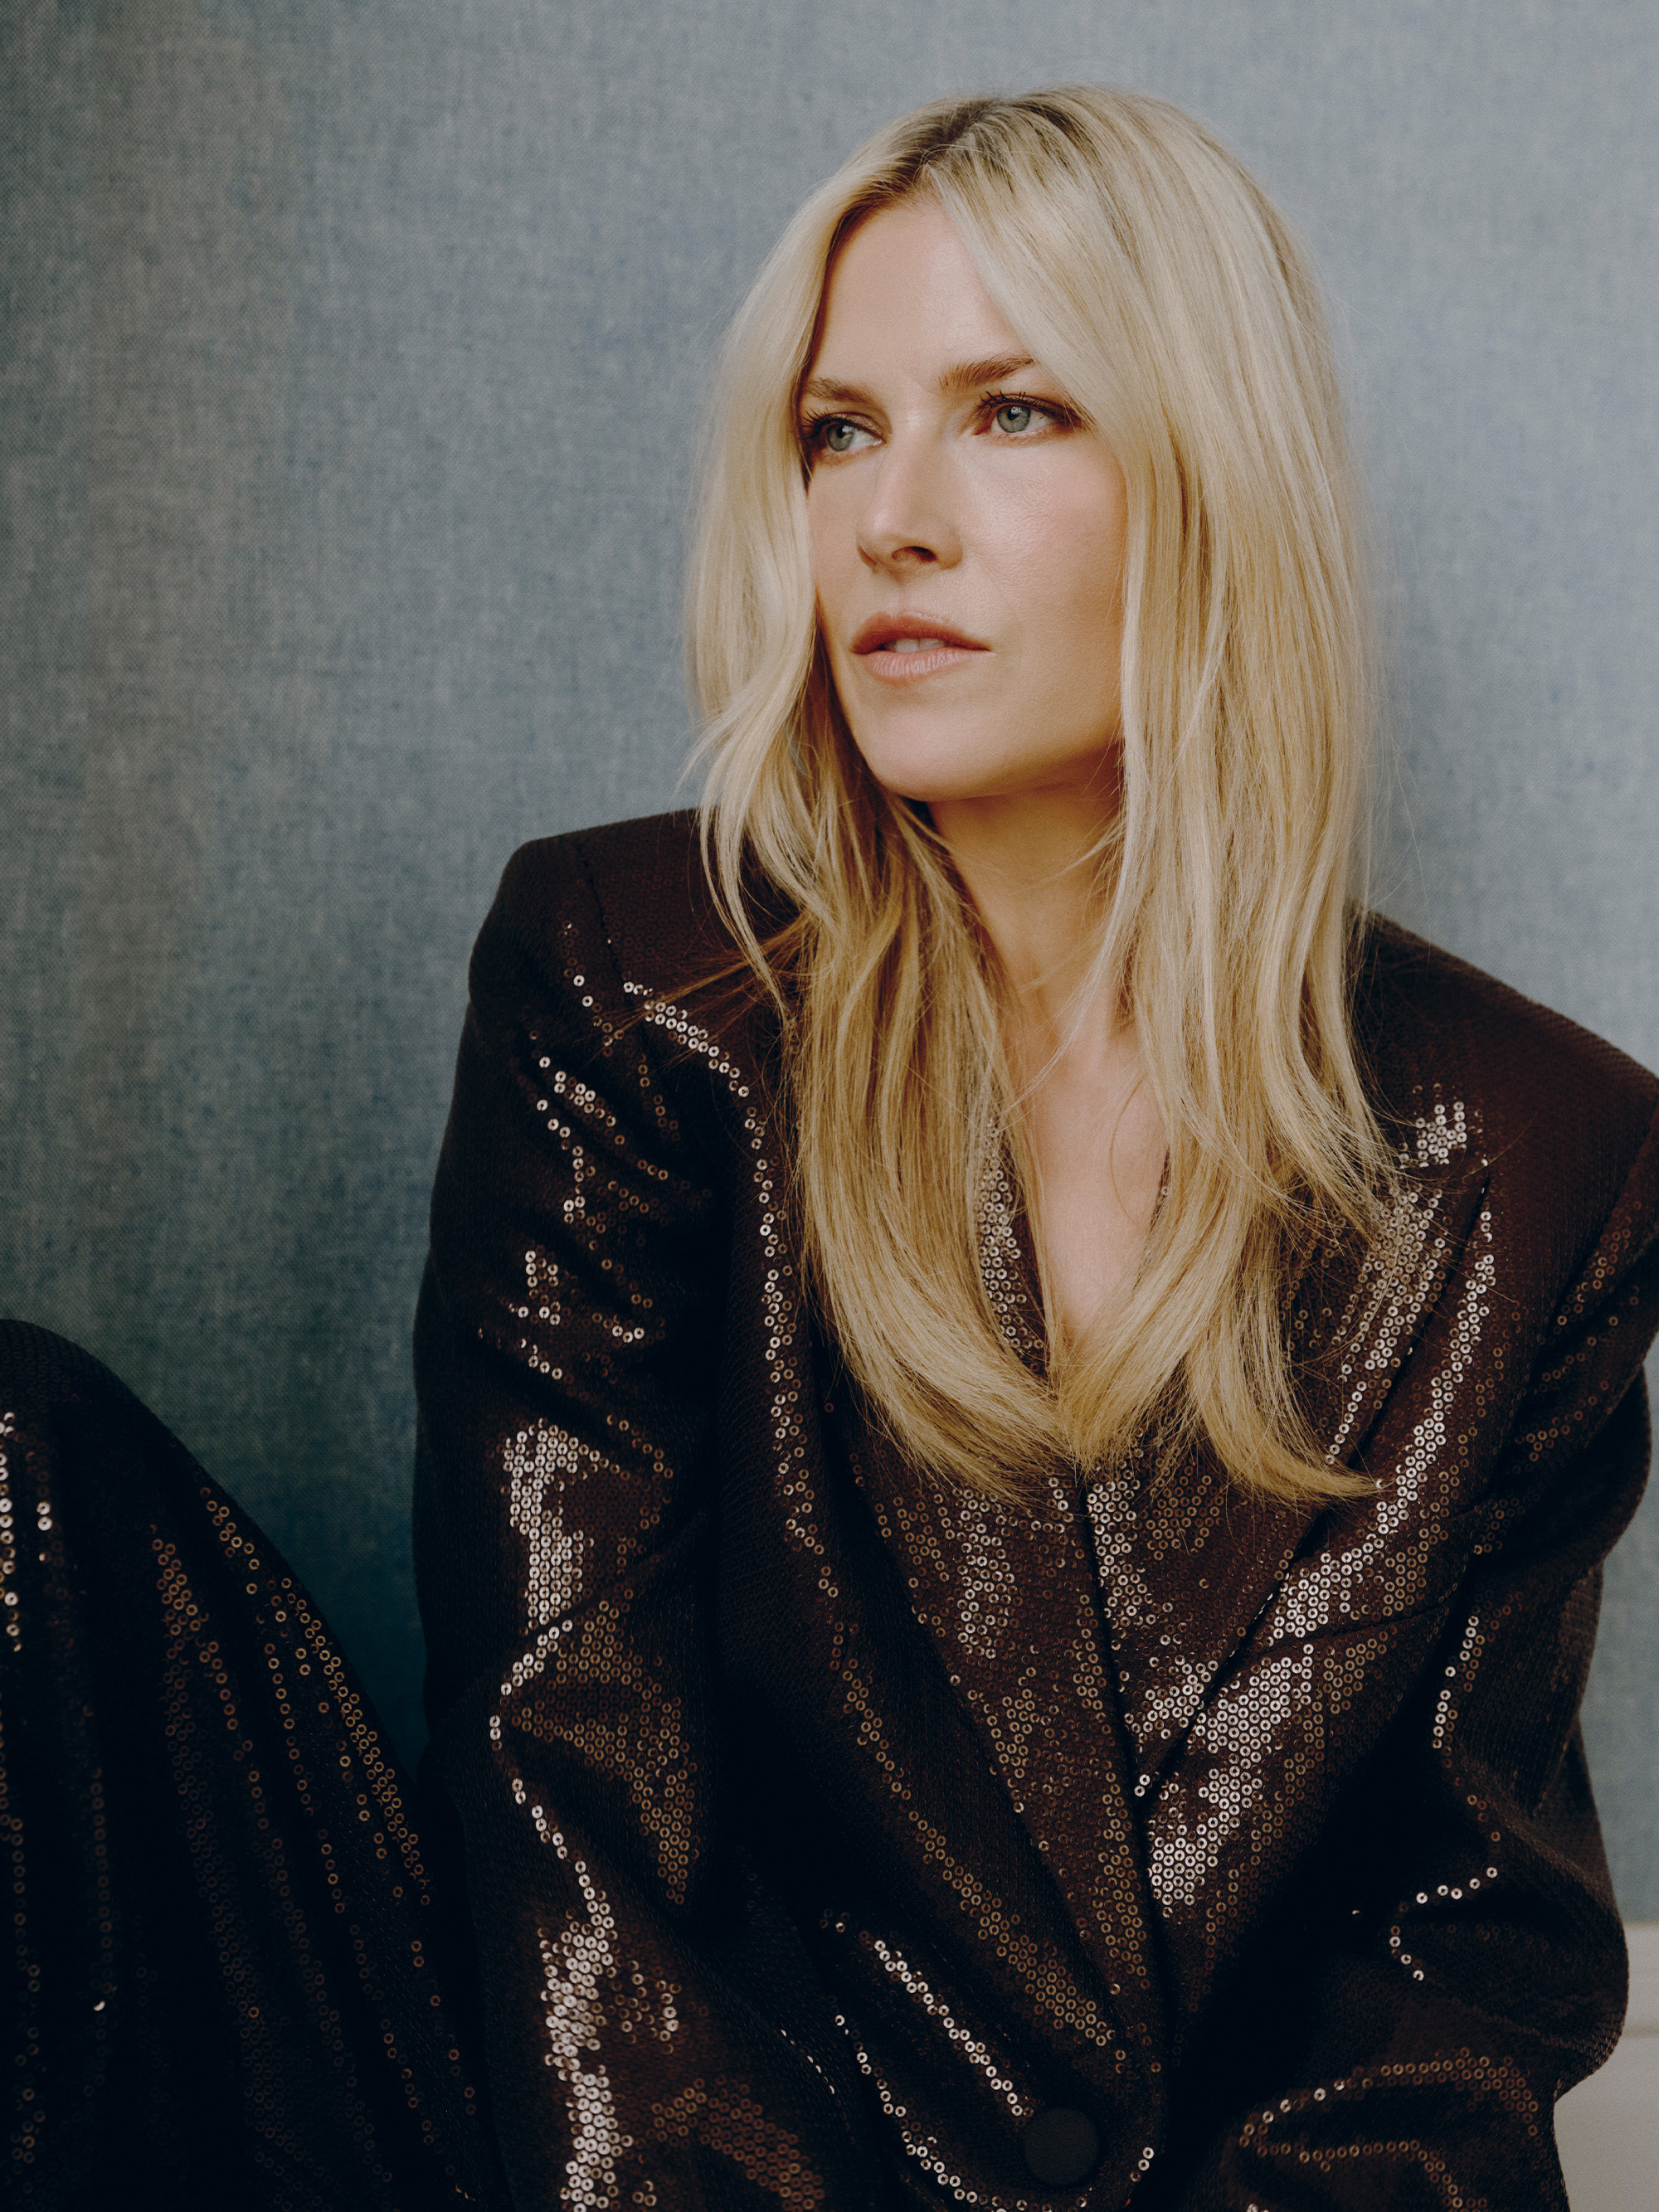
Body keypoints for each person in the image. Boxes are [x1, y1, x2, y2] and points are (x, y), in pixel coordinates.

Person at [4, 83, 1654, 2212]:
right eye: (837, 429)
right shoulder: (633, 992)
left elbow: (1456, 1964)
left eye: (1018, 412)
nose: (890, 518)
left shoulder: (1541, 1156)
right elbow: (567, 1776)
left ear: (1213, 480)